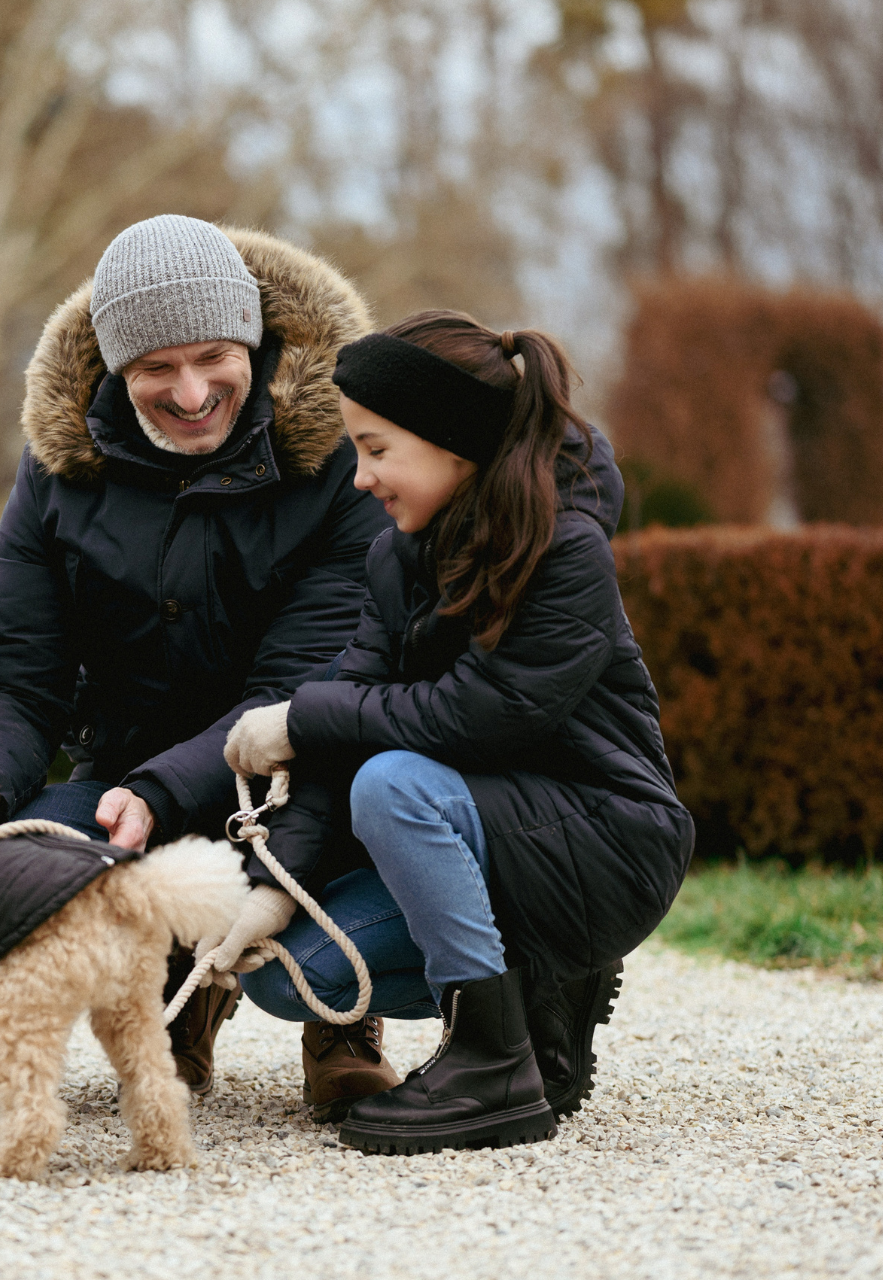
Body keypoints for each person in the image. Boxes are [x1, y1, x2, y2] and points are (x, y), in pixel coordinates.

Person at [220, 310, 695, 1153]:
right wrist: (274, 882)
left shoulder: (561, 549)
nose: (360, 478)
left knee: (394, 783)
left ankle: (491, 1066)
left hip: (607, 840)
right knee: (301, 981)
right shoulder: (399, 558)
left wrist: (299, 717)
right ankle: (537, 996)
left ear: (454, 443)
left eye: (375, 449)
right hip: (489, 836)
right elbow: (351, 718)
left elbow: (478, 717)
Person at [0, 215, 391, 1099]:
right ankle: (173, 998)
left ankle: (339, 1018)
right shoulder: (58, 465)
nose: (190, 393)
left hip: (295, 774)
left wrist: (163, 789)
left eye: (214, 358)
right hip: (120, 772)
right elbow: (23, 679)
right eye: (157, 369)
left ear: (255, 346)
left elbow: (297, 686)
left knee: (304, 927)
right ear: (118, 370)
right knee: (3, 864)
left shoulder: (342, 466)